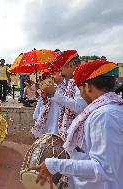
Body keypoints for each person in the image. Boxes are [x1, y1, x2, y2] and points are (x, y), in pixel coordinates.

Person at [28, 59, 123, 189]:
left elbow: (103, 169)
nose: (80, 94)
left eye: (80, 88)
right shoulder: (109, 111)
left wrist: (54, 165)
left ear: (88, 87)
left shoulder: (104, 116)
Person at [43, 50, 87, 139]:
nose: (61, 73)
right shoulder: (71, 81)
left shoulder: (82, 80)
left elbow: (80, 107)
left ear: (70, 65)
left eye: (61, 69)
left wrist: (54, 93)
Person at [31, 71, 67, 137]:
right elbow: (47, 104)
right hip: (51, 119)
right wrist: (44, 97)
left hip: (58, 120)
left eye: (54, 73)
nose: (52, 76)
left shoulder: (66, 88)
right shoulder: (55, 88)